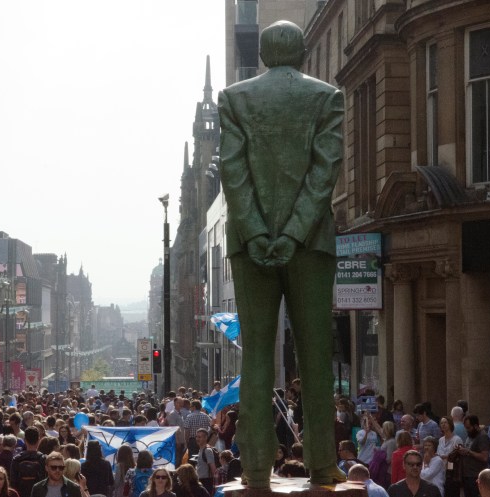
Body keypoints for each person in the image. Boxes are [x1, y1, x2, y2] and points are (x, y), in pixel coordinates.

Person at [217, 18, 345, 487]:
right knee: (315, 354)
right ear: (303, 51)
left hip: (250, 243)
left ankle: (254, 466)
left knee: (256, 355)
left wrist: (254, 232)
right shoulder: (326, 97)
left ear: (266, 53)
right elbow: (324, 170)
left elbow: (233, 172)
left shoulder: (235, 98)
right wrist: (293, 233)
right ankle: (321, 462)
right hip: (310, 241)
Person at [457, 415, 490, 497]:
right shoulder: (470, 435)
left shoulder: (482, 436)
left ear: (475, 426)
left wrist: (469, 452)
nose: (467, 430)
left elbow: (484, 457)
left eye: (468, 428)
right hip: (467, 474)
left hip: (475, 475)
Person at [9, 427, 45, 497]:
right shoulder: (43, 459)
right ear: (39, 440)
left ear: (25, 440)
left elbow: (12, 482)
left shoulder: (17, 459)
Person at [194, 429, 216, 495]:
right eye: (196, 437)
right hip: (200, 481)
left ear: (206, 438)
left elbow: (213, 469)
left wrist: (215, 484)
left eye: (199, 437)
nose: (197, 439)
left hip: (207, 482)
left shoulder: (207, 451)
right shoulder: (200, 450)